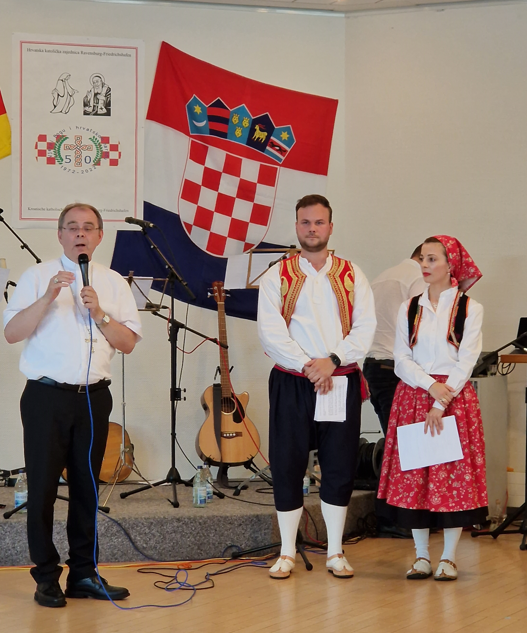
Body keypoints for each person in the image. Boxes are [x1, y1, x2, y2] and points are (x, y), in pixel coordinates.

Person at [3, 203, 142, 607]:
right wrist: (48, 296)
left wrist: (99, 313)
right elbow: (12, 333)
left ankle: (84, 573)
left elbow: (128, 343)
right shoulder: (36, 277)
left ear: (99, 236)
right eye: (72, 227)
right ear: (60, 234)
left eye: (88, 227)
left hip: (94, 399)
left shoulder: (114, 283)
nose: (80, 233)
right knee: (43, 488)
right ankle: (46, 577)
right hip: (46, 398)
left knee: (87, 488)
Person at [257, 194, 376, 580]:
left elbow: (366, 328)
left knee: (339, 464)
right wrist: (309, 366)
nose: (312, 229)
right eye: (305, 222)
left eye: (319, 222)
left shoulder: (352, 274)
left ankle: (336, 551)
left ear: (330, 226)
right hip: (293, 381)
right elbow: (270, 332)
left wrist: (333, 361)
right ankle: (287, 551)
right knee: (287, 463)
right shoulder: (277, 275)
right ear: (296, 226)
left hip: (339, 380)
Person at [377, 235, 488, 582]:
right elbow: (400, 359)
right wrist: (429, 387)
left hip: (453, 398)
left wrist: (441, 400)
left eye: (432, 259)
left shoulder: (470, 308)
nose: (424, 265)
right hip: (414, 395)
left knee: (453, 476)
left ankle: (449, 557)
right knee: (416, 476)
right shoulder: (409, 307)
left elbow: (467, 360)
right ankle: (422, 555)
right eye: (422, 259)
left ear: (451, 265)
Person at [364, 246, 427, 436]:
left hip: (374, 367)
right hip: (397, 370)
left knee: (394, 439)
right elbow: (422, 327)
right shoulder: (419, 279)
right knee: (408, 442)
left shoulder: (381, 278)